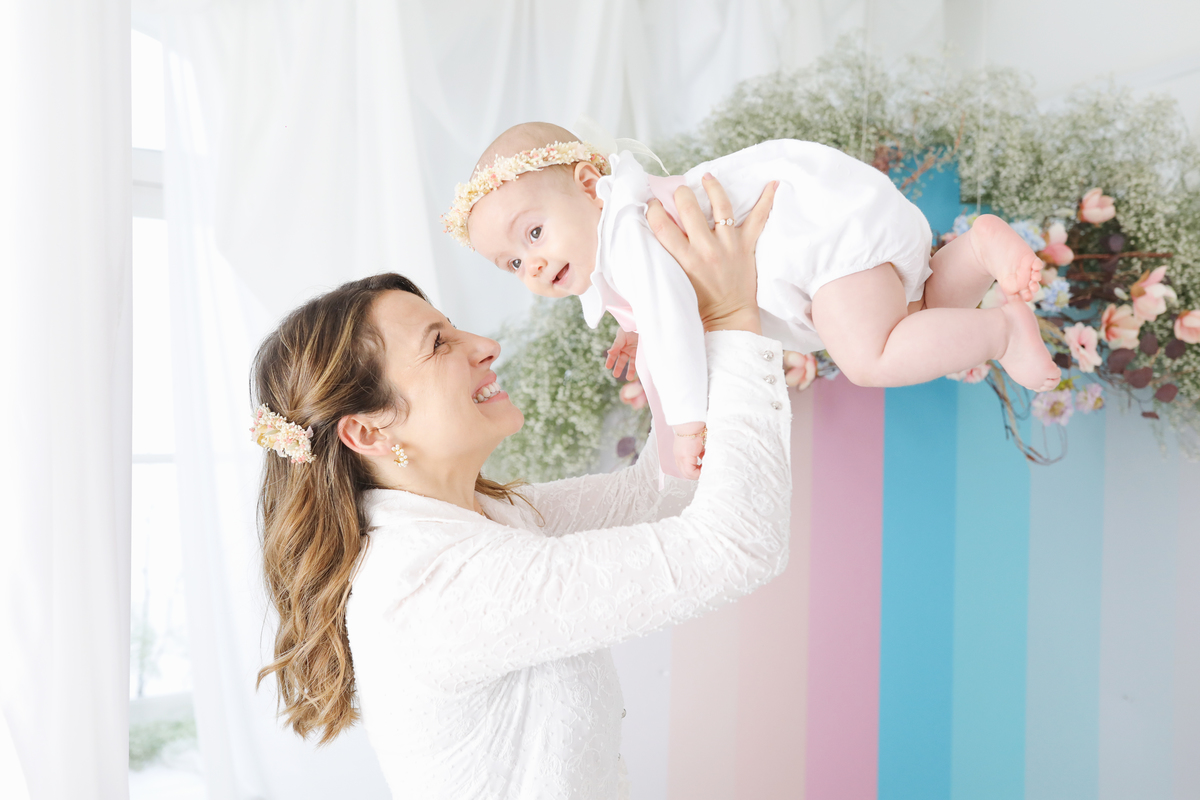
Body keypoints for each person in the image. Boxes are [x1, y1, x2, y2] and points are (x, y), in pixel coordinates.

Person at [250, 177, 791, 799]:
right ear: (368, 433)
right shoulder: (435, 583)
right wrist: (731, 319)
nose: (486, 346)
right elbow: (737, 545)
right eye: (440, 345)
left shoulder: (476, 516)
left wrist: (675, 344)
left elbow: (660, 494)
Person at [446, 122, 1061, 479]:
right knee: (918, 317)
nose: (532, 263)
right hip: (832, 242)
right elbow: (669, 301)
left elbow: (674, 323)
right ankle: (976, 253)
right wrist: (634, 326)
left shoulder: (628, 232)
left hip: (816, 250)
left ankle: (1002, 331)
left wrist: (687, 425)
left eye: (533, 234)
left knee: (870, 359)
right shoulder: (620, 246)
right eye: (512, 263)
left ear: (588, 187)